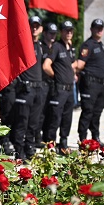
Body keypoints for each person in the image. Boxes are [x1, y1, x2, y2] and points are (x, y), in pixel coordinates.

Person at [10, 16, 45, 160]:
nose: (34, 28)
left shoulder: (41, 46)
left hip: (38, 89)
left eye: (37, 26)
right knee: (21, 122)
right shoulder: (23, 44)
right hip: (26, 89)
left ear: (41, 29)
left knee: (34, 123)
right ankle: (19, 150)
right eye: (32, 26)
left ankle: (29, 149)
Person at [42, 20, 77, 152]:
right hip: (59, 89)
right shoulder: (57, 46)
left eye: (71, 30)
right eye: (66, 30)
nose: (69, 33)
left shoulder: (71, 48)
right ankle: (51, 145)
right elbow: (46, 66)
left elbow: (72, 65)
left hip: (69, 89)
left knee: (67, 118)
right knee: (55, 118)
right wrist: (56, 76)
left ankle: (63, 144)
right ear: (61, 32)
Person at [77, 18, 104, 144]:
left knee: (97, 112)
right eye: (97, 28)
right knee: (88, 111)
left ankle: (96, 137)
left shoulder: (100, 45)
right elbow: (80, 65)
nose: (99, 30)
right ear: (91, 29)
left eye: (101, 28)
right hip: (90, 84)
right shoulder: (88, 45)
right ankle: (83, 139)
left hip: (100, 84)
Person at [37, 22, 58, 146]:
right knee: (41, 112)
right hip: (42, 82)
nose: (52, 36)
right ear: (45, 33)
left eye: (54, 34)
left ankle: (47, 137)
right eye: (50, 33)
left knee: (51, 112)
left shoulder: (55, 47)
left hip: (53, 84)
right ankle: (37, 137)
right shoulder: (41, 46)